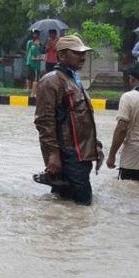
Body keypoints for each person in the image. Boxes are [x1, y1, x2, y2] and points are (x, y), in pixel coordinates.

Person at [34, 35, 104, 205]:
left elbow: (83, 120)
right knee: (82, 205)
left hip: (81, 155)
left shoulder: (74, 80)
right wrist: (53, 154)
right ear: (62, 55)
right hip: (69, 156)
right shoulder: (51, 81)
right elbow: (44, 121)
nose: (83, 57)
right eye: (77, 53)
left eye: (84, 53)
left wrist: (96, 146)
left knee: (66, 206)